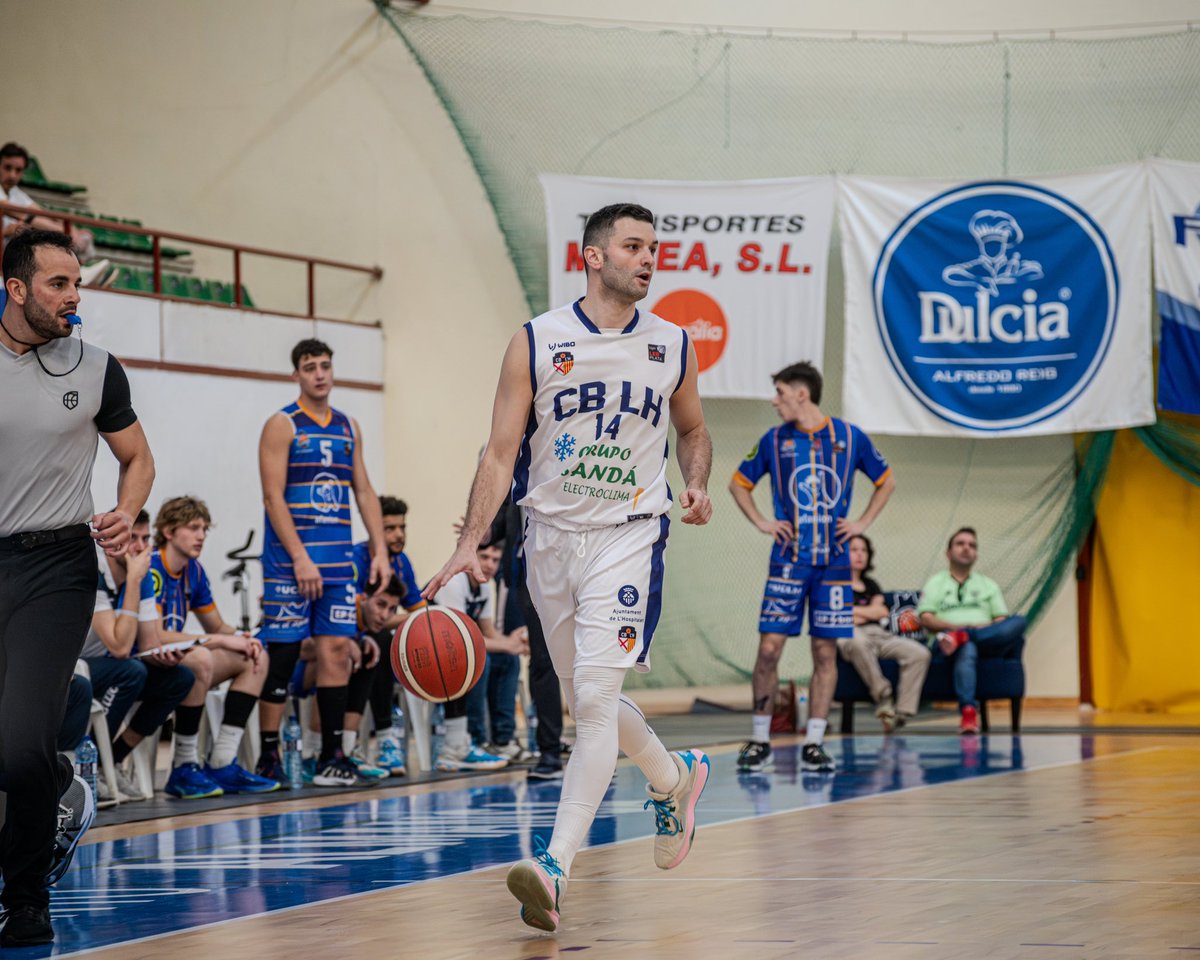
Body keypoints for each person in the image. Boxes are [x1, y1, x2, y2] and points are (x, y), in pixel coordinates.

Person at [423, 202, 713, 933]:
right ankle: (674, 781)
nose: (649, 258)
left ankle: (553, 868)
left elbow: (693, 429)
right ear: (592, 256)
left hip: (628, 534)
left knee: (590, 706)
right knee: (590, 698)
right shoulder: (536, 341)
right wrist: (469, 541)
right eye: (634, 246)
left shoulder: (673, 343)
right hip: (546, 538)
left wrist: (698, 479)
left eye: (655, 248)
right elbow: (498, 452)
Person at [0, 228, 154, 946]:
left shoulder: (95, 369)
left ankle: (25, 894)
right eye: (58, 284)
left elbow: (138, 458)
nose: (73, 297)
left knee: (19, 742)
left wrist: (124, 513)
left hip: (56, 568)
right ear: (18, 287)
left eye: (76, 284)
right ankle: (53, 796)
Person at [729, 361, 895, 774]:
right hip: (788, 561)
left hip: (834, 564)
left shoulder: (849, 437)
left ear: (802, 394)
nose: (774, 401)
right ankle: (761, 739)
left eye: (780, 393)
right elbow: (737, 482)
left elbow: (886, 480)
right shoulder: (773, 440)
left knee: (825, 652)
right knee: (769, 650)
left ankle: (815, 743)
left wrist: (860, 524)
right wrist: (763, 522)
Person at [255, 339, 390, 788]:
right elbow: (273, 497)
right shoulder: (282, 424)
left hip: (335, 562)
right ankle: (269, 756)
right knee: (285, 653)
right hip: (290, 562)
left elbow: (365, 492)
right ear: (297, 374)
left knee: (336, 651)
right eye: (310, 367)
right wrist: (299, 558)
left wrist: (380, 551)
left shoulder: (349, 427)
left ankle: (333, 754)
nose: (319, 373)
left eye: (325, 366)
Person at [148, 496, 279, 797]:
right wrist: (220, 639)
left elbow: (217, 627)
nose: (201, 536)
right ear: (168, 531)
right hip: (148, 662)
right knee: (201, 658)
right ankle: (183, 765)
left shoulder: (193, 570)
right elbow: (154, 636)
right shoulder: (153, 568)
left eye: (205, 529)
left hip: (177, 659)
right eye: (193, 528)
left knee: (254, 657)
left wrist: (249, 637)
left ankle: (222, 761)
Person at [84, 509, 195, 800]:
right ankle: (90, 765)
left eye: (145, 539)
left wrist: (164, 655)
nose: (140, 547)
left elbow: (148, 642)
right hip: (75, 668)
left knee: (180, 678)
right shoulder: (93, 572)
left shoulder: (140, 575)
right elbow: (120, 647)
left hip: (111, 666)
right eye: (133, 538)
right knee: (130, 672)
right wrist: (133, 581)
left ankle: (114, 759)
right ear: (109, 540)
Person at [917, 526, 1027, 735]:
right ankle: (968, 711)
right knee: (967, 648)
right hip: (947, 646)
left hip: (989, 644)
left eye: (972, 545)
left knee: (1019, 621)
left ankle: (966, 637)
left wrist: (971, 632)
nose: (967, 548)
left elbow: (1001, 622)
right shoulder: (935, 583)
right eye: (960, 544)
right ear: (948, 553)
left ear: (976, 554)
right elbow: (926, 618)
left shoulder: (988, 584)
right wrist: (957, 629)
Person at [345, 495, 425, 776]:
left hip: (375, 640)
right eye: (390, 528)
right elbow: (355, 615)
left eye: (402, 527)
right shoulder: (356, 558)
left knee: (445, 641)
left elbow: (424, 614)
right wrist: (405, 619)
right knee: (378, 641)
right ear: (374, 529)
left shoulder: (402, 562)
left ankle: (456, 740)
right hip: (347, 640)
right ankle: (381, 738)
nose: (399, 534)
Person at [432, 536, 528, 771]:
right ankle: (475, 740)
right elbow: (459, 639)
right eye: (484, 557)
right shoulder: (453, 582)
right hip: (431, 658)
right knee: (477, 661)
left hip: (461, 651)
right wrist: (509, 644)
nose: (489, 565)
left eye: (495, 560)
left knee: (507, 660)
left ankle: (502, 740)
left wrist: (515, 643)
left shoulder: (484, 585)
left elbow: (488, 632)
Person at [836, 534, 930, 733]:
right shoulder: (835, 584)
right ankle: (883, 695)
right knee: (857, 642)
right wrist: (864, 612)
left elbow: (881, 612)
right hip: (849, 633)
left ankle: (902, 713)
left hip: (878, 633)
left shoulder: (871, 584)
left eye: (864, 550)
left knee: (920, 653)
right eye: (854, 550)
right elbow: (839, 616)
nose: (860, 555)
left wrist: (852, 611)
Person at [0, 143, 111, 286]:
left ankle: (81, 270)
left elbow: (40, 212)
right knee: (29, 231)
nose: (12, 175)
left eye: (18, 170)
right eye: (7, 168)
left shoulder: (15, 192)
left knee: (82, 235)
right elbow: (20, 213)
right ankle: (78, 272)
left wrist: (70, 229)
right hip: (6, 247)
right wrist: (61, 232)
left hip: (12, 246)